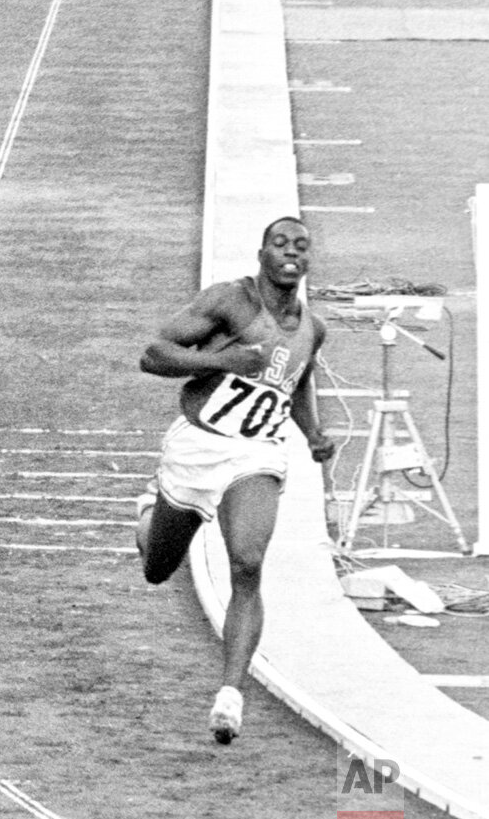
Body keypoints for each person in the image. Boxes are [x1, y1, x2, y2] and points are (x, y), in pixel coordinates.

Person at [135, 215, 336, 744]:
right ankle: (148, 516)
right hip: (197, 448)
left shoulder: (313, 329)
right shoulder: (230, 303)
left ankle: (230, 694)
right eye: (280, 243)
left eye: (301, 245)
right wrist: (223, 361)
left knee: (247, 562)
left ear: (307, 260)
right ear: (262, 254)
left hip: (256, 453)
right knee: (158, 567)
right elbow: (153, 355)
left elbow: (294, 382)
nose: (292, 251)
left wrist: (313, 435)